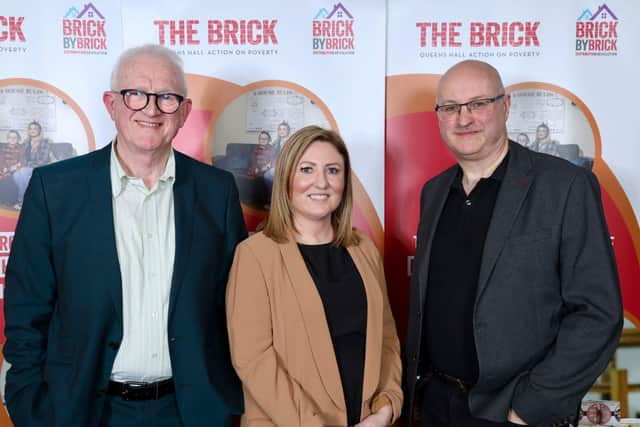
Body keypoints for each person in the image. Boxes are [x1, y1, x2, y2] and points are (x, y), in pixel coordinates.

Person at [3, 44, 247, 426]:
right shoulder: (55, 190)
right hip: (85, 410)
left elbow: (236, 308)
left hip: (190, 412)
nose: (150, 109)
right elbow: (26, 312)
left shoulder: (217, 193)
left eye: (166, 97)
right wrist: (33, 408)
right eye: (135, 94)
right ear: (111, 104)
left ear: (183, 112)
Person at [402, 60, 622, 427]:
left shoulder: (564, 186)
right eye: (451, 108)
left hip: (511, 411)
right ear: (439, 116)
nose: (464, 118)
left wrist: (531, 407)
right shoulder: (434, 192)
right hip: (436, 405)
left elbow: (597, 312)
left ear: (505, 108)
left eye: (478, 104)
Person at [226, 125, 403, 426]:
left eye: (333, 170)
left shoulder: (364, 249)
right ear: (286, 179)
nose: (321, 182)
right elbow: (253, 359)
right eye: (307, 169)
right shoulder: (255, 255)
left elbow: (386, 339)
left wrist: (385, 409)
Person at [11, 120, 58, 207]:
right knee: (16, 175)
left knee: (23, 172)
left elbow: (42, 160)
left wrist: (25, 165)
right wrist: (19, 165)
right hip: (26, 168)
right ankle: (32, 199)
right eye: (30, 128)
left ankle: (22, 202)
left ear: (39, 130)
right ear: (28, 131)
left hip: (41, 167)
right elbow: (21, 158)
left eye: (35, 128)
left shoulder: (45, 142)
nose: (32, 130)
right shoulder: (25, 143)